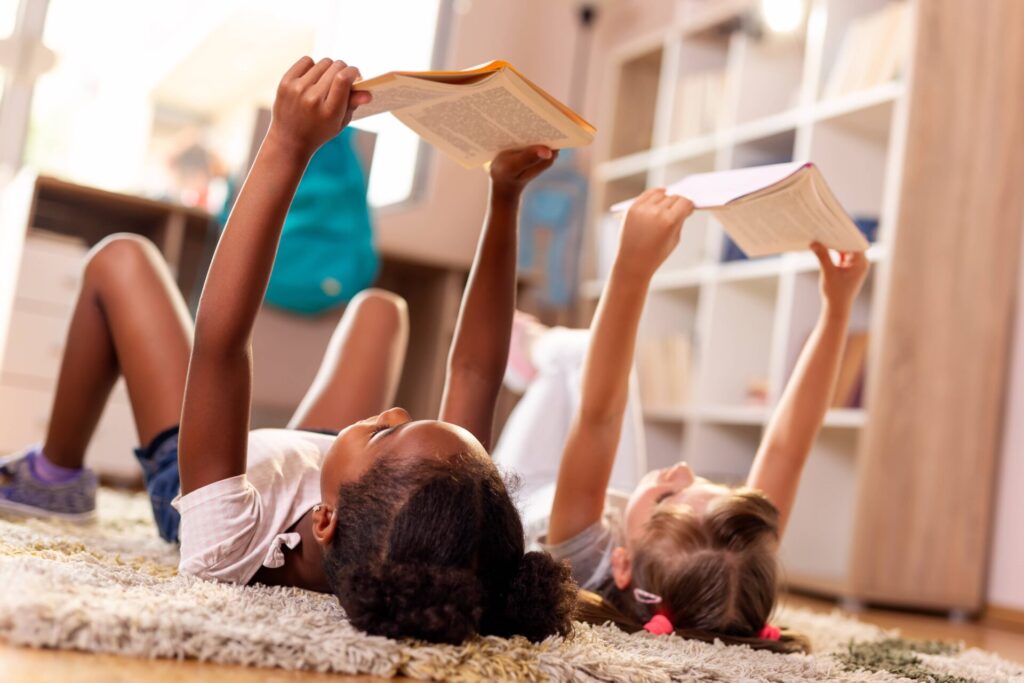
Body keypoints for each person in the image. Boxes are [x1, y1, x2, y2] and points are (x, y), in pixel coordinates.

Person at [0, 57, 575, 645]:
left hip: (207, 470)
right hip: (312, 461)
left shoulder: (226, 543)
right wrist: (504, 196)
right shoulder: (437, 511)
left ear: (325, 521)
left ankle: (55, 476)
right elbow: (477, 371)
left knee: (120, 260)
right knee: (382, 309)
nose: (396, 412)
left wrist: (287, 144)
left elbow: (222, 344)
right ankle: (350, 446)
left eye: (384, 435)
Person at [515, 187, 866, 652]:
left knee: (580, 358)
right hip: (612, 504)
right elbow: (788, 448)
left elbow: (599, 417)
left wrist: (632, 267)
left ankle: (539, 348)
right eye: (700, 481)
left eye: (670, 495)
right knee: (608, 370)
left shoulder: (580, 564)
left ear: (621, 566)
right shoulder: (731, 566)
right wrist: (838, 307)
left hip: (527, 489)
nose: (680, 469)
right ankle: (545, 350)